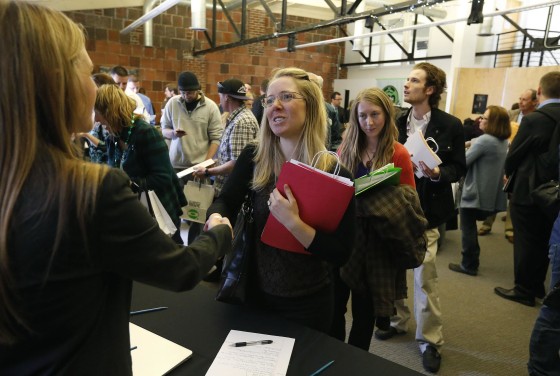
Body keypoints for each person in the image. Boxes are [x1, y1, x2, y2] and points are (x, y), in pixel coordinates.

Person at [0, 1, 232, 373]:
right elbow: (181, 270)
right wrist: (219, 234)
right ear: (57, 80)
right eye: (89, 73)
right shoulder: (91, 191)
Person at [207, 67, 355, 333]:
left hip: (308, 304)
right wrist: (217, 217)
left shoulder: (334, 173)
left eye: (286, 97)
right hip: (252, 294)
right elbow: (225, 201)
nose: (274, 106)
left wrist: (294, 223)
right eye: (269, 99)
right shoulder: (254, 157)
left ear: (310, 106)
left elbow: (341, 252)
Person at [379, 62, 466, 374]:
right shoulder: (396, 121)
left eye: (414, 81)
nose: (406, 85)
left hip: (427, 212)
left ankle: (430, 340)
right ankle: (397, 320)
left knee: (424, 278)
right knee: (392, 272)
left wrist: (440, 172)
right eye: (407, 80)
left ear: (430, 89)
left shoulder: (451, 124)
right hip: (393, 209)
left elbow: (459, 167)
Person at [334, 87, 421, 350]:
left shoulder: (398, 153)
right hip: (347, 238)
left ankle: (355, 363)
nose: (369, 122)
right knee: (335, 307)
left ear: (387, 115)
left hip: (378, 244)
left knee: (364, 314)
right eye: (362, 116)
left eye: (375, 114)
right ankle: (334, 356)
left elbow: (410, 204)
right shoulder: (345, 150)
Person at [495, 71, 560, 307]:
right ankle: (538, 285)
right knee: (544, 239)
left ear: (540, 92)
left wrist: (507, 172)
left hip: (528, 187)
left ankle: (524, 289)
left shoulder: (534, 119)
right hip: (555, 190)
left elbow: (514, 154)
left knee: (524, 240)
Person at [94, 84, 187, 244]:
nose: (96, 119)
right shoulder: (114, 136)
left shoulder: (145, 133)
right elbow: (113, 168)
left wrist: (127, 184)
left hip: (160, 211)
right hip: (136, 212)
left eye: (98, 113)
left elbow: (163, 178)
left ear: (112, 112)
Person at [448, 105, 511, 276]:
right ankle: (471, 261)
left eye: (484, 118)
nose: (480, 120)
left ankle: (468, 264)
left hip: (474, 192)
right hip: (490, 194)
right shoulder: (504, 141)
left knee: (467, 229)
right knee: (470, 228)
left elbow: (463, 161)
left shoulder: (485, 141)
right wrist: (470, 143)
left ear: (494, 122)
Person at [478, 88, 537, 241]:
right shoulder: (512, 115)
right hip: (502, 155)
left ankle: (510, 229)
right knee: (494, 188)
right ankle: (487, 224)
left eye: (524, 100)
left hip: (522, 161)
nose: (520, 102)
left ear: (534, 102)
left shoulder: (537, 118)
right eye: (520, 98)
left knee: (513, 193)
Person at [161, 71, 223, 174]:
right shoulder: (172, 103)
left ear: (197, 90)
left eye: (189, 93)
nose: (186, 96)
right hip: (175, 164)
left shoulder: (211, 107)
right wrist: (173, 133)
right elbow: (164, 130)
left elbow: (216, 138)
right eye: (182, 92)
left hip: (199, 166)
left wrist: (205, 163)